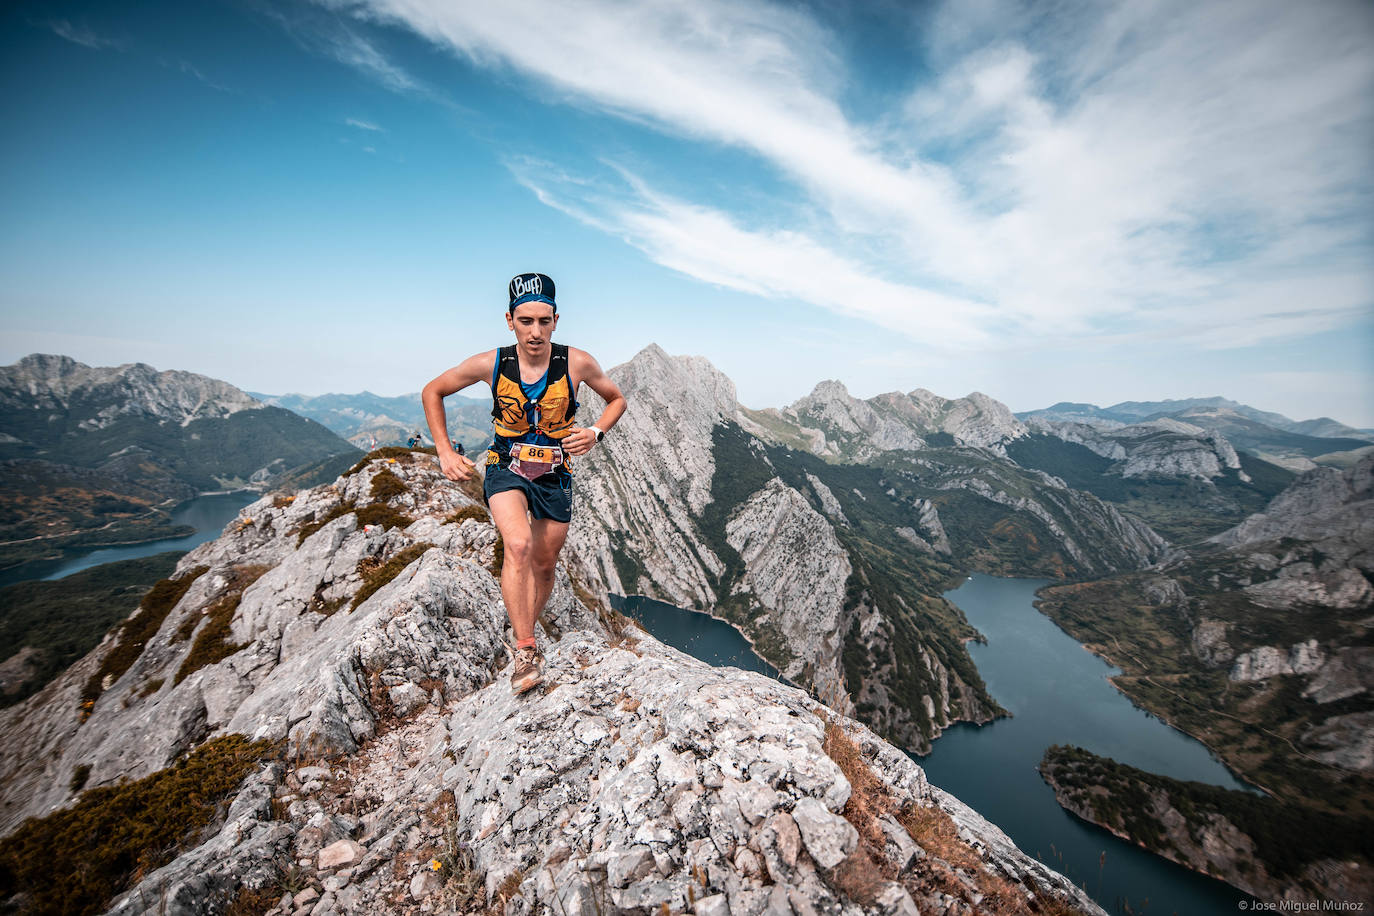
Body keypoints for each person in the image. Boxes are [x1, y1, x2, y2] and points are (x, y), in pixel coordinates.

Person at [421, 273, 626, 694]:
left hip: (555, 471)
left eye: (543, 321)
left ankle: (524, 627)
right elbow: (433, 390)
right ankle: (526, 649)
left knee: (545, 563)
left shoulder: (577, 362)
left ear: (556, 320)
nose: (535, 331)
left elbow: (616, 399)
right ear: (509, 320)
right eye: (525, 320)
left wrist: (596, 432)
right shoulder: (492, 363)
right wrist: (443, 449)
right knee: (518, 545)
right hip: (505, 465)